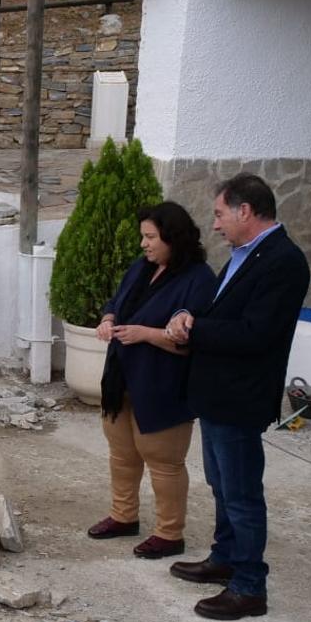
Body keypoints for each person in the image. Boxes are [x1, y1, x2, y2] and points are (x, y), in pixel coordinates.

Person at [166, 173, 310, 620]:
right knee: (222, 485)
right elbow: (219, 311)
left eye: (219, 213)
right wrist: (191, 315)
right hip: (216, 393)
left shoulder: (283, 261)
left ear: (244, 211)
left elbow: (257, 333)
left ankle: (249, 586)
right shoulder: (244, 255)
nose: (215, 224)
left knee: (243, 493)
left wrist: (195, 328)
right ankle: (224, 558)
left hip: (241, 397)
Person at [86, 202, 217, 559]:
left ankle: (169, 533)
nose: (143, 244)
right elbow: (117, 300)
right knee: (122, 455)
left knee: (163, 461)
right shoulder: (142, 267)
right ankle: (123, 516)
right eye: (143, 237)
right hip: (121, 379)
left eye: (150, 237)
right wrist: (108, 318)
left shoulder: (199, 279)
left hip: (162, 383)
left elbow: (194, 339)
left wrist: (146, 334)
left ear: (173, 238)